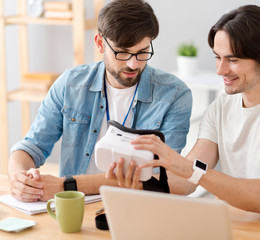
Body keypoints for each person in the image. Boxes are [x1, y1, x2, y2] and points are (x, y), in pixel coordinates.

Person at [115, 5, 260, 217]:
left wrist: (193, 171)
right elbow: (186, 181)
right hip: (243, 229)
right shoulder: (220, 108)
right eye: (217, 57)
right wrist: (139, 179)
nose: (220, 70)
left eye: (232, 60)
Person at [8, 0, 192, 202]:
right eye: (122, 52)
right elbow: (30, 147)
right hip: (74, 208)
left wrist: (68, 185)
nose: (133, 64)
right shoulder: (71, 84)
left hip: (136, 207)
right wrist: (19, 177)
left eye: (142, 52)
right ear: (99, 43)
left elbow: (165, 179)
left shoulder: (175, 95)